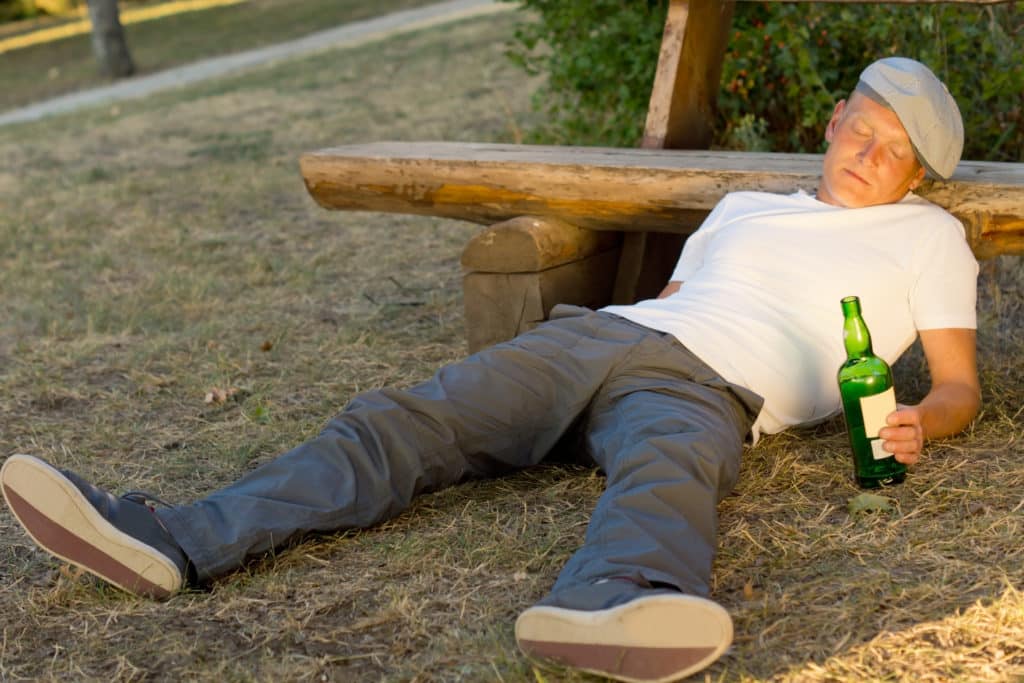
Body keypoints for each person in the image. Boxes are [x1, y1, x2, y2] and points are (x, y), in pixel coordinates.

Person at [1, 57, 981, 683]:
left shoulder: (926, 235)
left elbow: (955, 383)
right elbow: (677, 294)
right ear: (835, 117)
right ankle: (171, 537)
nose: (870, 154)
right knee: (406, 420)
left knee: (670, 471)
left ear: (914, 175)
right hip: (599, 336)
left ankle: (616, 600)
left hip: (710, 387)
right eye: (866, 126)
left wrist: (916, 423)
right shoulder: (742, 205)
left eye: (896, 151)